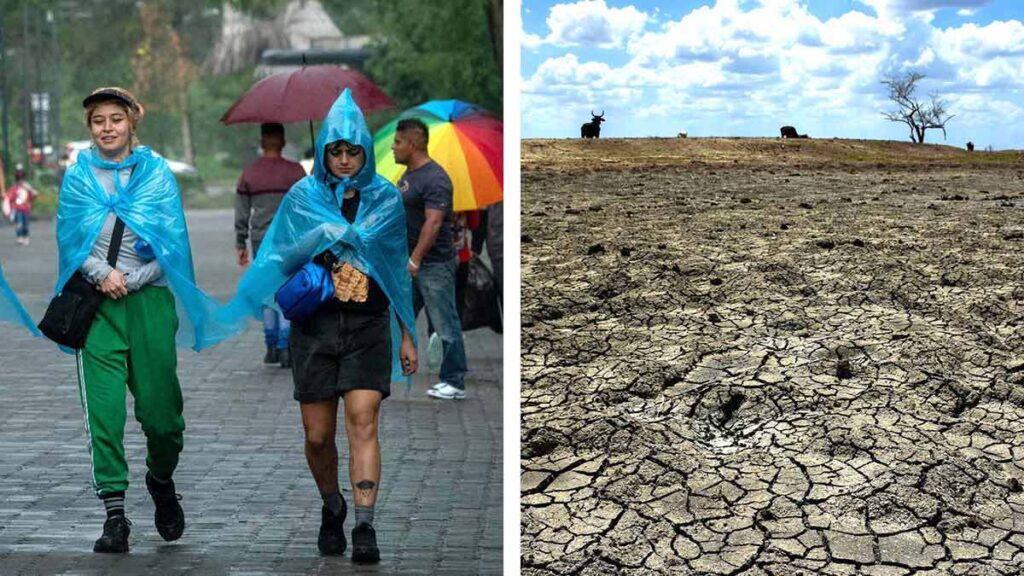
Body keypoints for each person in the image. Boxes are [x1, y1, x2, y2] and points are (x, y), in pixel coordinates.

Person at [221, 89, 417, 562]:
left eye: (354, 151)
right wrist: (321, 233)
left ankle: (365, 527)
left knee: (363, 421)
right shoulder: (303, 197)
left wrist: (407, 333)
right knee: (317, 436)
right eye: (337, 150)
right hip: (316, 326)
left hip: (368, 324)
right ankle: (332, 504)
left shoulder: (386, 199)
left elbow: (393, 269)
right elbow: (280, 256)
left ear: (366, 152)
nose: (346, 160)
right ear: (325, 150)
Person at [55, 86, 245, 554]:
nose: (107, 128)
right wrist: (104, 275)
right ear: (89, 127)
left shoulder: (158, 176)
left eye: (115, 119)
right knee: (105, 414)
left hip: (149, 301)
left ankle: (161, 479)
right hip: (96, 306)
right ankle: (115, 515)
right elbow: (70, 240)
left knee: (162, 419)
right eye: (98, 120)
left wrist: (133, 278)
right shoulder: (77, 178)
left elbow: (173, 247)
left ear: (132, 121)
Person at [391, 118, 468, 400]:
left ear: (412, 144)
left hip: (432, 264)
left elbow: (433, 223)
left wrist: (415, 260)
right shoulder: (408, 176)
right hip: (411, 264)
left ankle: (454, 381)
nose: (393, 147)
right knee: (400, 316)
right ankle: (396, 367)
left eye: (398, 142)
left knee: (445, 322)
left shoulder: (435, 178)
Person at [235, 123, 307, 367]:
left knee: (268, 290)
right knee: (287, 288)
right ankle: (286, 347)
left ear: (262, 142)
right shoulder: (296, 172)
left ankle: (270, 347)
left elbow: (242, 211)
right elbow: (306, 208)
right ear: (283, 142)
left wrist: (240, 241)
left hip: (260, 240)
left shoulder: (250, 173)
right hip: (290, 240)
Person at [5, 166, 38, 245]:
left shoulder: (27, 186)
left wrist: (29, 189)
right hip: (17, 208)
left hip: (26, 208)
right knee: (19, 223)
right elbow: (10, 196)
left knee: (25, 224)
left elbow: (34, 194)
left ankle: (25, 237)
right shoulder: (15, 187)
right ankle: (20, 237)